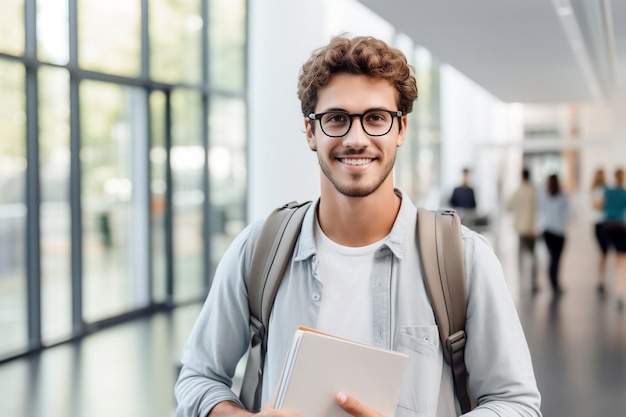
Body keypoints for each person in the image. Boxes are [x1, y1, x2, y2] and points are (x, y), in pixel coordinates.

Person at [174, 35, 541, 417]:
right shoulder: (259, 249)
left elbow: (516, 404)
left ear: (400, 129)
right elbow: (197, 378)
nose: (356, 138)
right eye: (336, 119)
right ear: (311, 131)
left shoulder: (462, 258)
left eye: (375, 118)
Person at [537, 173, 571, 296]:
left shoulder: (543, 196)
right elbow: (569, 214)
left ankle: (554, 283)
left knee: (552, 258)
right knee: (556, 259)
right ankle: (555, 284)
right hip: (559, 231)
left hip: (547, 230)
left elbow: (539, 211)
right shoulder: (563, 197)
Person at [507, 168, 538, 293]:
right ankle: (533, 282)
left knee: (520, 257)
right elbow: (536, 211)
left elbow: (508, 207)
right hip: (530, 229)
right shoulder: (532, 192)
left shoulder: (517, 191)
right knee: (532, 256)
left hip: (520, 229)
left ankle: (520, 281)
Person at [602, 167, 626, 309]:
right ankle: (619, 291)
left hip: (608, 227)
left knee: (607, 255)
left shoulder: (608, 191)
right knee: (621, 261)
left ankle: (604, 281)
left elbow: (601, 207)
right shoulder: (623, 193)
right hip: (620, 227)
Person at [590, 167, 608, 294]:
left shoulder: (607, 189)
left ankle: (602, 279)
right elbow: (595, 205)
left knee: (606, 253)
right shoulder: (594, 190)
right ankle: (600, 279)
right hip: (598, 223)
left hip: (608, 223)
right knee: (603, 252)